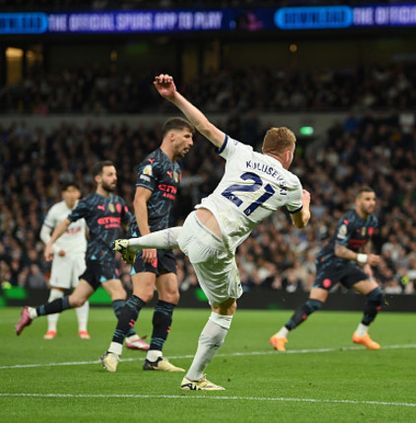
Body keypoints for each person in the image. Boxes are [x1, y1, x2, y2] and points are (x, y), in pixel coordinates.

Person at [108, 74, 311, 391]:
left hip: (197, 219)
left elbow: (203, 126)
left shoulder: (243, 152)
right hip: (217, 243)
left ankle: (130, 243)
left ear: (265, 147)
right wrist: (306, 203)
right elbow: (300, 223)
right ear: (288, 154)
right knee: (225, 309)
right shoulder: (291, 182)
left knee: (180, 236)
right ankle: (194, 378)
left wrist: (174, 97)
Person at [16, 161, 147, 350]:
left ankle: (31, 313)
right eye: (109, 174)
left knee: (76, 300)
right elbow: (65, 223)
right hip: (97, 257)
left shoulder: (118, 202)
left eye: (115, 174)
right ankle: (132, 337)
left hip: (106, 258)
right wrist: (50, 244)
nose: (114, 178)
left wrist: (141, 241)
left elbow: (131, 224)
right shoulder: (88, 202)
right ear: (98, 178)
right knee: (119, 293)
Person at [103, 118, 193, 373]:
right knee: (143, 292)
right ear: (172, 136)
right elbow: (139, 201)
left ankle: (154, 357)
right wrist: (146, 241)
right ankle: (113, 351)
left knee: (171, 293)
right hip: (145, 235)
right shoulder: (152, 163)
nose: (191, 143)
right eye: (187, 136)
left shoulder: (176, 168)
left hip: (163, 237)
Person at [270, 187, 384, 352]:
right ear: (358, 202)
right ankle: (280, 336)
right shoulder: (348, 220)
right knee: (314, 303)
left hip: (347, 264)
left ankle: (361, 334)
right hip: (330, 263)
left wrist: (366, 266)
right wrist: (363, 259)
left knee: (376, 294)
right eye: (367, 199)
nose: (372, 203)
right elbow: (339, 250)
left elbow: (365, 242)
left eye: (373, 199)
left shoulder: (371, 220)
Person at [39, 182, 89, 340]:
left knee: (82, 291)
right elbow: (44, 233)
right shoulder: (56, 210)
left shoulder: (85, 206)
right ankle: (51, 329)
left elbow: (90, 228)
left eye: (74, 191)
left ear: (79, 193)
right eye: (68, 191)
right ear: (63, 194)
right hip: (62, 256)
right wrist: (55, 249)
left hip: (79, 254)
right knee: (56, 292)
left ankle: (83, 329)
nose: (71, 194)